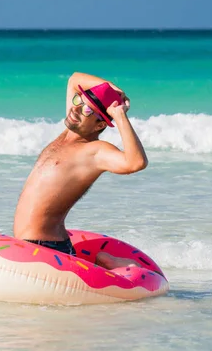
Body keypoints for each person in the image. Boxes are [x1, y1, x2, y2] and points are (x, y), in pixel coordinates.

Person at [12, 72, 148, 269]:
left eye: (87, 110)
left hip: (48, 247)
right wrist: (111, 88)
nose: (76, 109)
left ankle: (120, 266)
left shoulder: (94, 151)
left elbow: (136, 162)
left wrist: (119, 116)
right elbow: (74, 79)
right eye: (78, 101)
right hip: (29, 244)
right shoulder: (71, 129)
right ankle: (103, 262)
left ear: (100, 124)